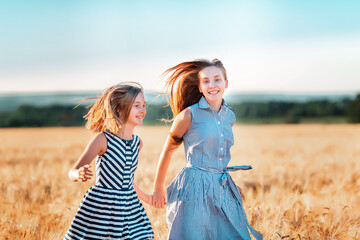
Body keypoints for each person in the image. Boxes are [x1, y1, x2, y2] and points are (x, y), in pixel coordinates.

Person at [151, 59, 263, 240]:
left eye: (217, 79)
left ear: (226, 84)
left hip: (221, 187)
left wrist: (230, 185)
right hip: (193, 188)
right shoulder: (188, 115)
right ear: (200, 87)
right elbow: (168, 150)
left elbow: (218, 155)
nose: (212, 85)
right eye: (206, 81)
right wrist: (157, 188)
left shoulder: (229, 116)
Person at [64, 82, 154, 240]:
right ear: (119, 109)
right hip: (102, 208)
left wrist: (147, 197)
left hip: (130, 207)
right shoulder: (103, 139)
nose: (142, 110)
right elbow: (72, 171)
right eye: (136, 106)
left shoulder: (137, 143)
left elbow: (126, 180)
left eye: (144, 105)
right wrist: (79, 174)